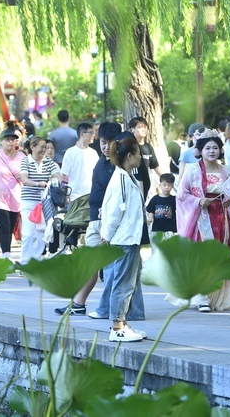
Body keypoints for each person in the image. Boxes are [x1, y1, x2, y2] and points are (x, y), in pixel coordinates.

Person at [54, 123, 145, 322]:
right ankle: (81, 304)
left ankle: (114, 313)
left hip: (109, 226)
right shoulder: (100, 161)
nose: (106, 147)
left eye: (110, 143)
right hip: (95, 220)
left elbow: (117, 204)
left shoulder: (119, 169)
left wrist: (108, 232)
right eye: (103, 142)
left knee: (116, 272)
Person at [175, 129, 230, 312]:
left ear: (220, 150)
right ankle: (201, 295)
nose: (212, 151)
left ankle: (213, 294)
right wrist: (198, 201)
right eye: (208, 148)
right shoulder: (192, 170)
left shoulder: (227, 170)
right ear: (200, 151)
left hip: (221, 219)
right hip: (200, 220)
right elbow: (181, 195)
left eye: (215, 148)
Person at [100, 133, 148, 342]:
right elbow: (113, 211)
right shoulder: (121, 179)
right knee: (122, 284)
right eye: (138, 154)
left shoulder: (126, 177)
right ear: (130, 156)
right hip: (124, 239)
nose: (140, 158)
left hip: (130, 238)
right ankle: (117, 326)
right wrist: (107, 236)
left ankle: (123, 323)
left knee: (129, 283)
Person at [19, 136, 62, 264]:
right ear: (32, 147)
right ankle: (25, 262)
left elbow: (59, 177)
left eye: (46, 147)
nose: (45, 150)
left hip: (44, 202)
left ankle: (36, 262)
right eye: (42, 147)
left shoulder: (48, 162)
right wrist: (38, 184)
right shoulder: (25, 161)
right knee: (28, 233)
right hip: (29, 201)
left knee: (41, 233)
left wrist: (55, 181)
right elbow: (24, 180)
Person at [0, 128, 25, 259]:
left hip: (16, 198)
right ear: (1, 142)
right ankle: (6, 255)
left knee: (11, 227)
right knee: (5, 226)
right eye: (7, 139)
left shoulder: (22, 156)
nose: (10, 142)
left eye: (13, 139)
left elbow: (28, 174)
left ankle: (6, 253)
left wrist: (24, 174)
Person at [61, 122, 100, 200]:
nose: (93, 135)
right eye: (91, 132)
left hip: (91, 195)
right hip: (74, 196)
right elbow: (64, 175)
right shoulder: (70, 152)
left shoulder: (93, 153)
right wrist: (65, 195)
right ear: (82, 134)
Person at [129, 116, 164, 197]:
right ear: (132, 129)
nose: (143, 129)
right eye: (140, 127)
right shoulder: (129, 146)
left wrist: (164, 177)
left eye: (145, 127)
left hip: (145, 183)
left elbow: (155, 165)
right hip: (132, 183)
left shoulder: (148, 147)